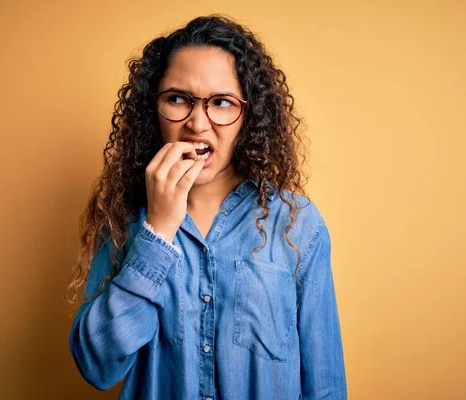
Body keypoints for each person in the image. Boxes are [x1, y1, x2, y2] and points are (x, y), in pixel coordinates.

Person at [65, 14, 347, 399]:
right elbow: (97, 366)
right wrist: (158, 232)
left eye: (222, 102)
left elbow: (326, 385)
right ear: (154, 108)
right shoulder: (124, 223)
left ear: (248, 116)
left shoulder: (298, 226)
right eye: (178, 98)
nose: (198, 123)